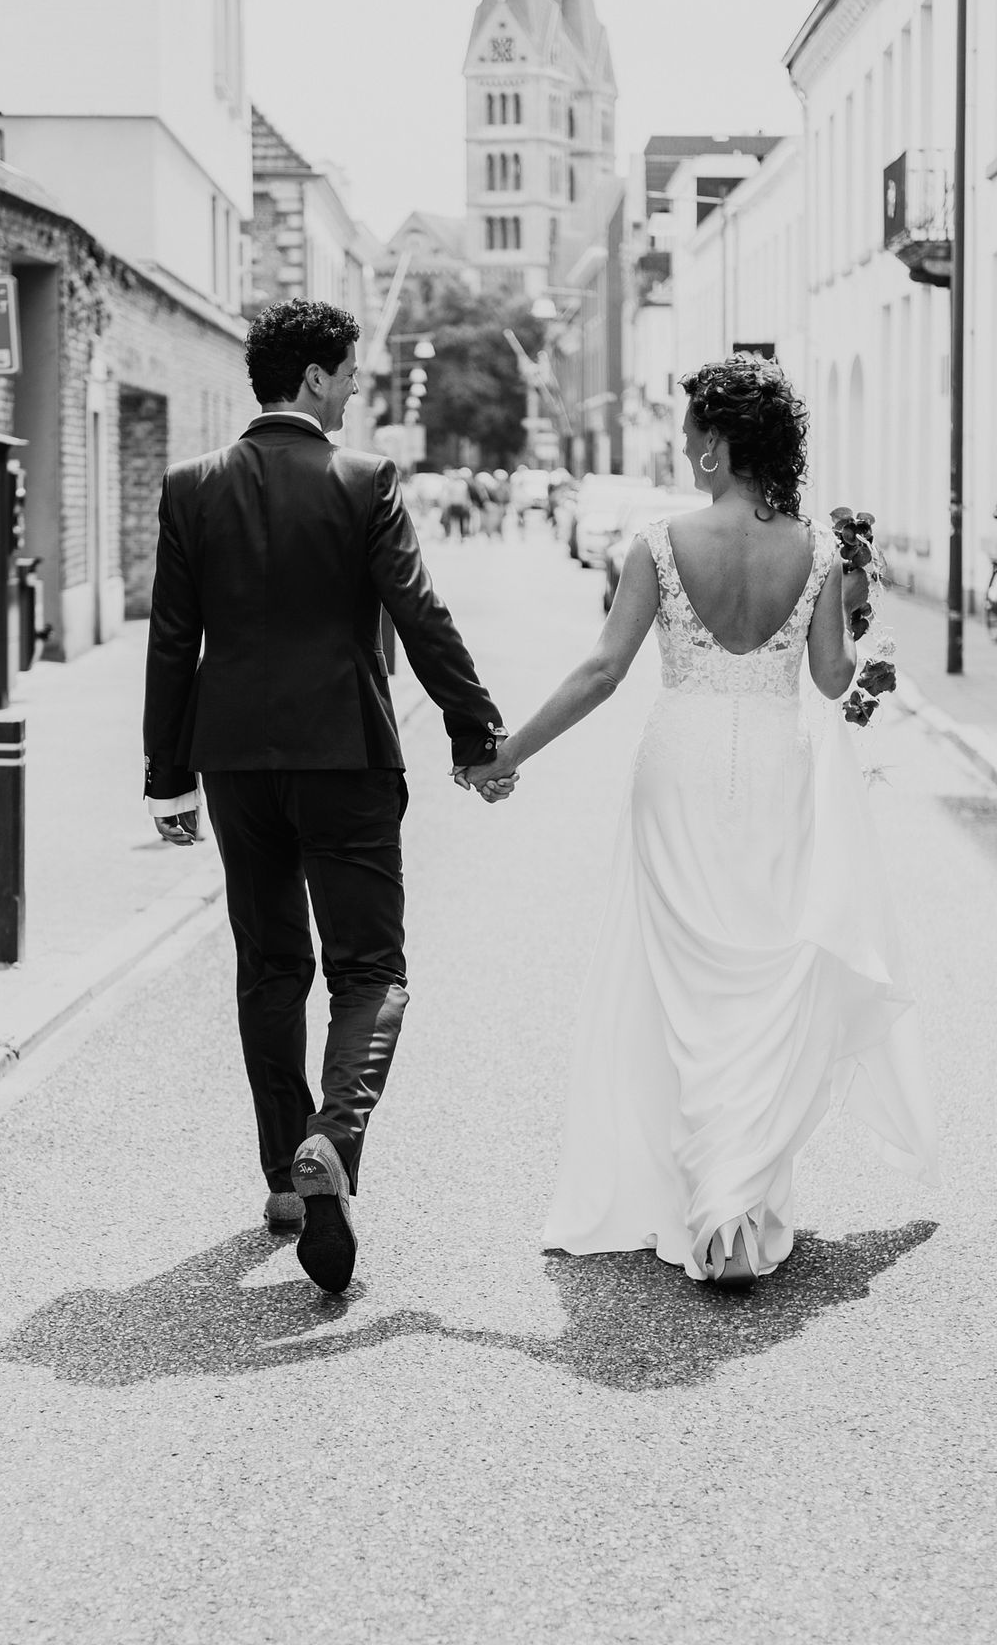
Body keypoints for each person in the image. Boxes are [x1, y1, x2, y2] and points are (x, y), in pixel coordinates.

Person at [467, 354, 938, 1287]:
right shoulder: (818, 551)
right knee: (760, 982)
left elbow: (603, 671)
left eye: (691, 436)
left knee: (683, 986)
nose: (685, 451)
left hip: (677, 770)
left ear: (719, 443)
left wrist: (508, 753)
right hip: (776, 769)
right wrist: (864, 638)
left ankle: (706, 1201)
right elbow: (832, 682)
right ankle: (739, 1205)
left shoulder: (659, 542)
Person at [142, 299, 511, 1296]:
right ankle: (333, 1140)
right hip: (345, 755)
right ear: (313, 376)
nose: (353, 390)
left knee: (269, 965)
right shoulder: (363, 481)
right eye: (347, 373)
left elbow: (173, 640)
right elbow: (419, 614)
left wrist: (167, 775)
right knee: (369, 967)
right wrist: (474, 730)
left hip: (233, 763)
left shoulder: (191, 488)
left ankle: (283, 1177)